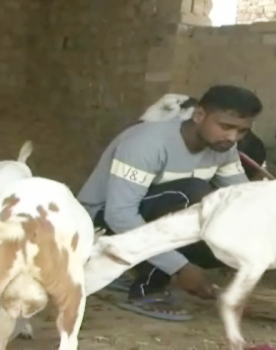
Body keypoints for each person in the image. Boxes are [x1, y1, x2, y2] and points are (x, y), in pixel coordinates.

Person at [77, 85, 263, 321]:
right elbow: (119, 215)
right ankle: (146, 290)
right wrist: (180, 267)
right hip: (98, 225)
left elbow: (242, 197)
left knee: (228, 219)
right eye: (225, 126)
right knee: (194, 195)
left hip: (149, 218)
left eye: (242, 131)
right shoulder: (147, 143)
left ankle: (125, 271)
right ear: (199, 115)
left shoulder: (224, 148)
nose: (232, 137)